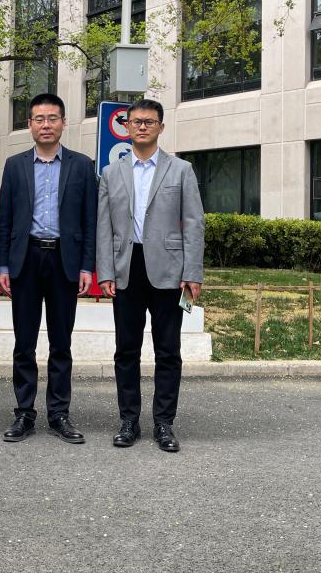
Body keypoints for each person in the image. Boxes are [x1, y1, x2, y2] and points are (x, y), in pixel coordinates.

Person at [96, 99, 205, 451]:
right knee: (126, 350)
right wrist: (105, 271)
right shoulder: (111, 173)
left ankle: (164, 424)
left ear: (160, 127)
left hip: (170, 271)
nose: (142, 127)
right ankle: (128, 421)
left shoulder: (181, 170)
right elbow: (104, 226)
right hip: (126, 268)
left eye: (149, 122)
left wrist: (193, 272)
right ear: (127, 126)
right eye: (136, 121)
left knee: (168, 351)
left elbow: (194, 223)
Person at [0, 93, 97, 444]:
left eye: (52, 118)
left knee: (61, 343)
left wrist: (87, 266)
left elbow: (89, 220)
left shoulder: (81, 166)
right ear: (30, 125)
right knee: (24, 343)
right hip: (25, 259)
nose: (46, 125)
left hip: (64, 261)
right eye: (39, 119)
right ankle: (24, 412)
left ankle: (59, 414)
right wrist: (2, 264)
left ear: (63, 123)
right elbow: (5, 219)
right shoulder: (15, 165)